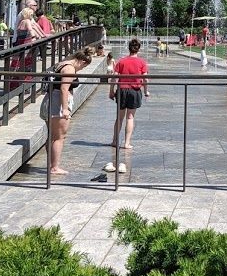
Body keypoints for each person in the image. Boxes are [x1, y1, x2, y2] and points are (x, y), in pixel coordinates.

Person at [45, 46, 94, 175]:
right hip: (58, 105)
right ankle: (54, 167)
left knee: (52, 136)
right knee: (59, 137)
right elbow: (64, 89)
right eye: (83, 67)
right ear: (82, 61)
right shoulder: (70, 68)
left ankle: (51, 164)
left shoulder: (63, 63)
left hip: (51, 101)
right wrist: (65, 109)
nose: (82, 69)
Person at [105, 38, 150, 173]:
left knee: (119, 118)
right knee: (130, 117)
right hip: (134, 91)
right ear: (138, 49)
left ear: (128, 48)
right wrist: (146, 91)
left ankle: (115, 141)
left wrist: (111, 91)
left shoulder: (122, 61)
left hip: (122, 90)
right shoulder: (142, 62)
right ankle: (126, 143)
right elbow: (145, 79)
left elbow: (114, 77)